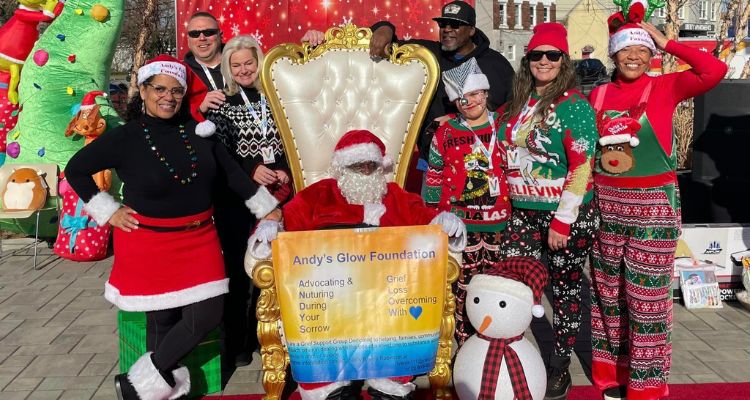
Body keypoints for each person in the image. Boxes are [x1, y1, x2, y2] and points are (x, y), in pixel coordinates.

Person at [64, 55, 280, 400]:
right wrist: (109, 211)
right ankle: (159, 393)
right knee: (162, 320)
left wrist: (267, 208)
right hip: (148, 242)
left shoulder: (200, 132)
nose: (168, 96)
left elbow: (233, 176)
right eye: (159, 89)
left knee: (208, 314)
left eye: (176, 90)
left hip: (200, 239)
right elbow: (75, 169)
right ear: (144, 90)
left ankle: (137, 385)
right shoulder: (126, 137)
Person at [248, 129, 467, 400]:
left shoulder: (395, 196)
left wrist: (443, 222)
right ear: (342, 167)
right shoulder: (320, 195)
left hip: (387, 299)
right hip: (333, 299)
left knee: (404, 313)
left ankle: (389, 381)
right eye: (357, 165)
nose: (364, 171)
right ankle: (327, 387)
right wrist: (271, 221)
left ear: (380, 167)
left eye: (370, 165)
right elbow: (286, 216)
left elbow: (424, 217)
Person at [588, 5, 727, 400]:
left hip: (654, 207)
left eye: (643, 50)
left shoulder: (666, 87)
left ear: (652, 56)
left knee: (646, 298)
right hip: (606, 206)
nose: (633, 57)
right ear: (612, 54)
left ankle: (647, 384)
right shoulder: (597, 94)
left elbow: (713, 71)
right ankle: (612, 373)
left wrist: (667, 40)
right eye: (625, 50)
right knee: (607, 295)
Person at [304, 1, 514, 191]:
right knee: (436, 228)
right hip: (434, 163)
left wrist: (457, 121)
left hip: (481, 164)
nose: (447, 30)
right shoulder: (427, 54)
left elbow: (509, 114)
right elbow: (387, 42)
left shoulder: (496, 65)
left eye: (455, 25)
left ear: (471, 30)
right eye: (443, 25)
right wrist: (384, 28)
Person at [496, 23, 599, 400]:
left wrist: (562, 220)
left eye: (552, 55)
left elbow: (582, 166)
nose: (544, 61)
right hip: (522, 213)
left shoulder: (575, 107)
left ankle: (559, 366)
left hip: (564, 216)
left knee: (567, 289)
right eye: (537, 54)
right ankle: (511, 352)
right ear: (527, 60)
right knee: (512, 282)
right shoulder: (516, 105)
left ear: (563, 61)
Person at [201, 34, 291, 368]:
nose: (243, 70)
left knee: (278, 267)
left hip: (278, 195)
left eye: (249, 63)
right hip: (237, 199)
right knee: (240, 271)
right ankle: (238, 341)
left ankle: (276, 335)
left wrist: (283, 171)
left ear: (260, 61)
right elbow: (218, 152)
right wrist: (251, 169)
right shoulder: (222, 103)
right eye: (236, 65)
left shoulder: (278, 96)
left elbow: (293, 140)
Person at [422, 58, 511, 347]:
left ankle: (495, 340)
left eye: (474, 95)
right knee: (463, 286)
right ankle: (463, 343)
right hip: (460, 225)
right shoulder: (445, 133)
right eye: (461, 98)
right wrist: (432, 218)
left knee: (497, 284)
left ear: (485, 94)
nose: (468, 102)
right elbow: (434, 175)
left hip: (499, 220)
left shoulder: (504, 126)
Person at [184, 11, 227, 122]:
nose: (202, 38)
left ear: (220, 35)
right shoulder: (181, 74)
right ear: (188, 40)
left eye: (208, 32)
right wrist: (199, 109)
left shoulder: (243, 66)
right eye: (194, 34)